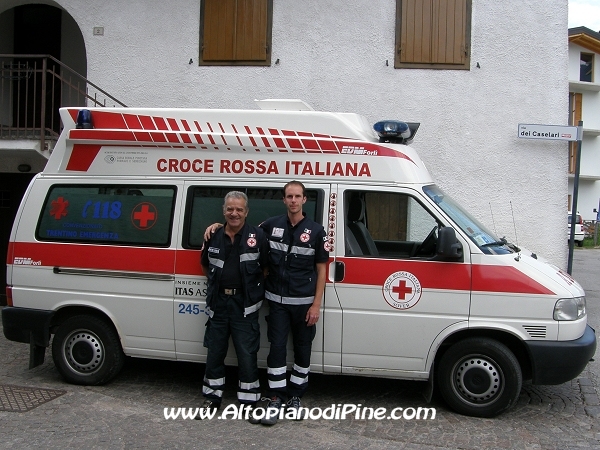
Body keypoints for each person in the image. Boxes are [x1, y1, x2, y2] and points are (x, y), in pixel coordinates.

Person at [258, 181, 329, 425]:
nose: (293, 201)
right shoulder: (271, 225)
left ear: (305, 200)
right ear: (284, 200)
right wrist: (216, 227)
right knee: (276, 349)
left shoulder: (317, 231)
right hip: (276, 303)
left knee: (302, 349)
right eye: (289, 196)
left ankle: (296, 397)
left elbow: (322, 271)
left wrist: (316, 305)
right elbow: (247, 235)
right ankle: (276, 397)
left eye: (298, 196)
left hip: (304, 304)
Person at [197, 191, 268, 423]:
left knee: (247, 353)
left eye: (239, 209)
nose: (234, 213)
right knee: (215, 351)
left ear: (246, 212)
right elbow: (206, 266)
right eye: (230, 209)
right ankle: (212, 397)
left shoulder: (258, 236)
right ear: (223, 211)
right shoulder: (213, 235)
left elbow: (266, 269)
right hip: (218, 304)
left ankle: (248, 401)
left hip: (244, 306)